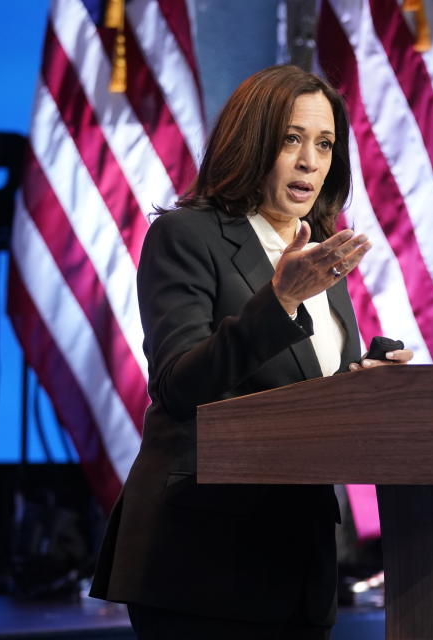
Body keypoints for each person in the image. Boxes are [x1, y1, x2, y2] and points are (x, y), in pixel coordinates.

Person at [89, 65, 411, 639]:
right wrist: (280, 298)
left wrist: (368, 384)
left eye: (325, 143)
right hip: (198, 557)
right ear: (252, 141)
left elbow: (307, 394)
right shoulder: (188, 236)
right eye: (292, 138)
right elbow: (179, 383)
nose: (310, 160)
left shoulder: (316, 254)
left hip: (297, 560)